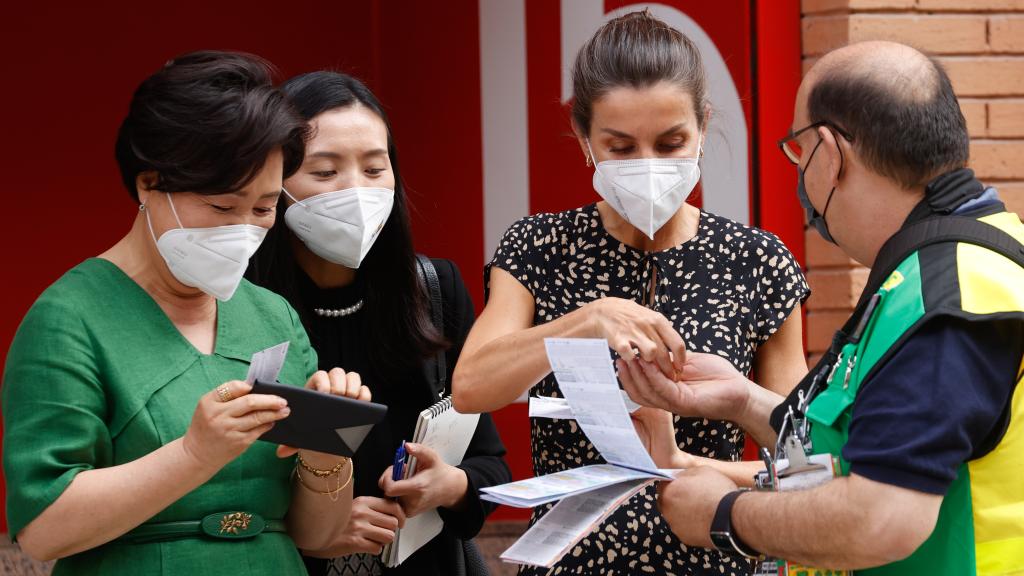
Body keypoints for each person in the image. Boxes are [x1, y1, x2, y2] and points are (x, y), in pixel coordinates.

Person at [621, 41, 1024, 575]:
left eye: (796, 150)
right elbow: (872, 444)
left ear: (829, 153)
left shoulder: (944, 297)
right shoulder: (961, 263)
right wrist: (743, 401)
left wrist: (724, 516)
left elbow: (883, 517)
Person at [453, 11, 810, 575]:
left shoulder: (756, 260)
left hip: (711, 560)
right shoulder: (540, 246)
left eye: (671, 143)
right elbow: (471, 386)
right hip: (570, 564)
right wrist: (583, 322)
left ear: (702, 125)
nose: (648, 165)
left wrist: (682, 464)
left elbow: (801, 459)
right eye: (620, 147)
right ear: (583, 138)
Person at [1, 52, 372, 575]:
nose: (244, 226)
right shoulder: (70, 318)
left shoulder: (273, 316)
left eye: (264, 208)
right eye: (223, 207)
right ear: (148, 183)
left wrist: (327, 447)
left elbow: (316, 535)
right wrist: (194, 454)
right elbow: (43, 529)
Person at [246, 71, 511, 576]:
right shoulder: (239, 306)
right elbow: (223, 484)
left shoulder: (433, 291)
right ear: (273, 183)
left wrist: (449, 485)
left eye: (374, 168)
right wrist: (317, 524)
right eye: (324, 173)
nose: (356, 191)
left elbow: (491, 463)